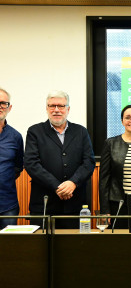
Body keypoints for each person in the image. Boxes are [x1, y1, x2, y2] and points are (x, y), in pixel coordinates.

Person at [24, 90, 95, 228]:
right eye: (52, 106)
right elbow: (31, 164)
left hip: (75, 204)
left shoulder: (81, 131)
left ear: (68, 109)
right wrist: (58, 186)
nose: (56, 110)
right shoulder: (35, 131)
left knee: (73, 247)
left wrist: (73, 183)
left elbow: (89, 162)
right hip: (44, 205)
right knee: (40, 248)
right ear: (47, 109)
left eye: (61, 106)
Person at [0, 88, 24, 229]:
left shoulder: (16, 137)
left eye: (3, 103)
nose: (0, 107)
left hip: (7, 206)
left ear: (10, 107)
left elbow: (17, 168)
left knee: (8, 248)